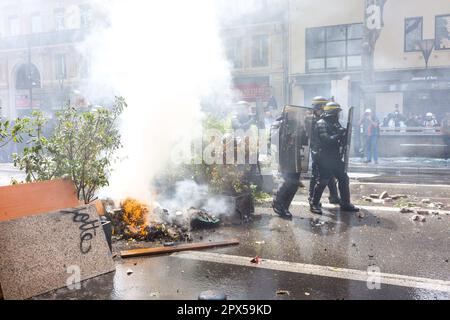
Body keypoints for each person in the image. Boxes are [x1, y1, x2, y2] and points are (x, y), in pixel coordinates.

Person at [309, 102, 359, 215]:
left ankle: (345, 203)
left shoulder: (335, 124)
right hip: (324, 158)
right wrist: (339, 135)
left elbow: (340, 139)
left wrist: (344, 135)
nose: (338, 115)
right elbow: (326, 140)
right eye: (337, 112)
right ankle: (314, 204)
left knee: (344, 178)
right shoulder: (321, 123)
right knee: (322, 181)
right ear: (333, 113)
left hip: (335, 157)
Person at [309, 96, 341, 209]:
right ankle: (311, 199)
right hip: (317, 150)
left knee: (329, 174)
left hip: (325, 151)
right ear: (321, 106)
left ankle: (334, 196)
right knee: (316, 176)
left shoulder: (320, 117)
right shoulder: (312, 119)